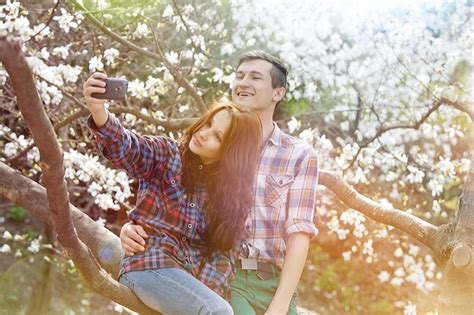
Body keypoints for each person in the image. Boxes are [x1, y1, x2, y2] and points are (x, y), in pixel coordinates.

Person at [121, 51, 319, 315]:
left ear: (278, 93)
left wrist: (281, 304)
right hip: (225, 276)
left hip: (273, 280)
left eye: (255, 77)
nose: (244, 83)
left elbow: (300, 233)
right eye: (240, 76)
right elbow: (176, 200)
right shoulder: (210, 143)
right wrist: (135, 226)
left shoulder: (299, 155)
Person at [83, 72, 263, 315]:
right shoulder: (167, 155)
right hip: (148, 267)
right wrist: (99, 112)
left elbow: (226, 257)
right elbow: (128, 148)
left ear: (230, 154)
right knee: (218, 311)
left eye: (217, 136)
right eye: (208, 123)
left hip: (185, 285)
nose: (203, 133)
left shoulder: (232, 200)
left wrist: (196, 290)